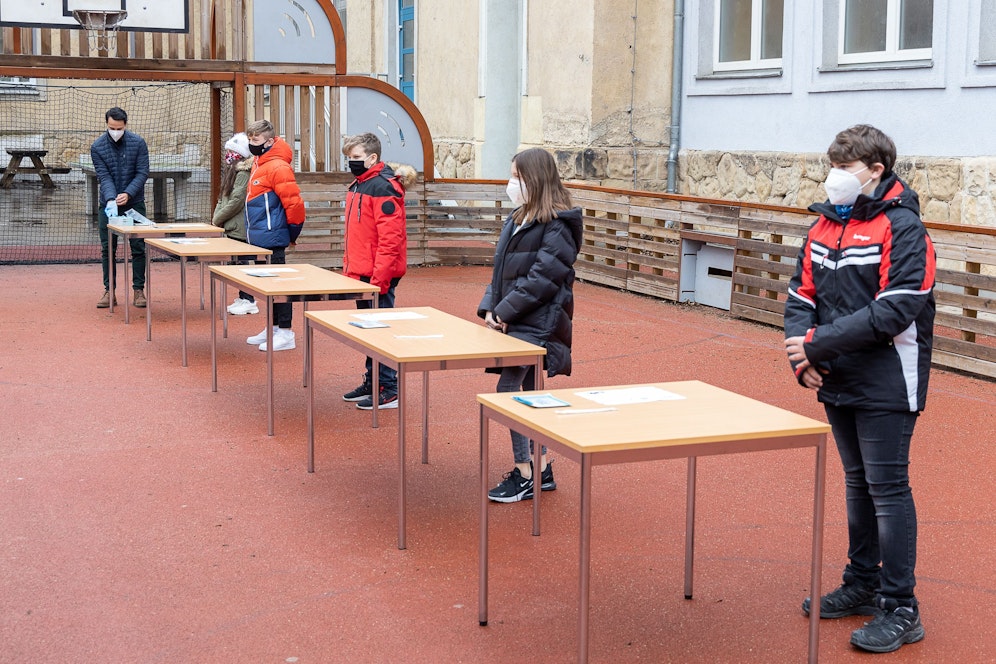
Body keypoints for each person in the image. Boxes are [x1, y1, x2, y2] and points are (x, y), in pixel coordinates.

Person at [784, 125, 935, 654]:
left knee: (887, 490)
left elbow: (895, 308)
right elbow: (800, 295)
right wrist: (801, 358)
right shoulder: (824, 225)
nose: (834, 177)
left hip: (889, 380)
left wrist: (818, 345)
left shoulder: (905, 227)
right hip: (836, 378)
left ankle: (902, 607)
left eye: (845, 168)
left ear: (876, 170)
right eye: (832, 165)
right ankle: (863, 584)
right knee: (857, 484)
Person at [477, 147, 583, 503]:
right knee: (523, 396)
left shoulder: (558, 226)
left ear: (535, 180)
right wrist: (491, 309)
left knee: (511, 393)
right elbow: (501, 271)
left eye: (518, 177)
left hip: (537, 323)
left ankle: (528, 472)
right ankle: (540, 468)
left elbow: (541, 280)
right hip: (515, 320)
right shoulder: (519, 217)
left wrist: (503, 313)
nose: (512, 183)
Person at [339, 132, 417, 410]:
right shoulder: (360, 184)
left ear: (372, 158)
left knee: (381, 331)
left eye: (356, 158)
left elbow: (390, 239)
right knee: (368, 331)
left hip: (377, 275)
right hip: (362, 272)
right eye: (349, 158)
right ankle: (374, 381)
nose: (351, 162)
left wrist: (380, 280)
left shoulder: (383, 188)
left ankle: (389, 387)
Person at [243, 119, 305, 352]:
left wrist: (291, 233)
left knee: (279, 285)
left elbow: (294, 204)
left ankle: (286, 331)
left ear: (269, 141)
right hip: (259, 235)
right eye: (249, 140)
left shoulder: (278, 166)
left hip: (273, 236)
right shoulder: (259, 162)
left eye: (256, 140)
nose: (252, 144)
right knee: (267, 286)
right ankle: (273, 327)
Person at [92, 106, 149, 309]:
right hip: (108, 205)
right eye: (111, 128)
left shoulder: (138, 143)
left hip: (134, 203)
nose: (115, 131)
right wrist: (111, 198)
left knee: (138, 247)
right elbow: (103, 175)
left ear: (125, 125)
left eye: (118, 128)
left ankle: (139, 290)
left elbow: (142, 172)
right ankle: (109, 291)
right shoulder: (97, 146)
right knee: (108, 248)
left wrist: (129, 193)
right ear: (106, 125)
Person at [211, 132, 258, 316]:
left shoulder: (243, 173)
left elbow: (236, 200)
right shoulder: (232, 171)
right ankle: (243, 296)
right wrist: (217, 217)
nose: (228, 155)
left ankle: (249, 299)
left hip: (240, 228)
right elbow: (224, 197)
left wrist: (219, 218)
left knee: (241, 264)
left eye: (231, 151)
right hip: (231, 226)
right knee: (235, 264)